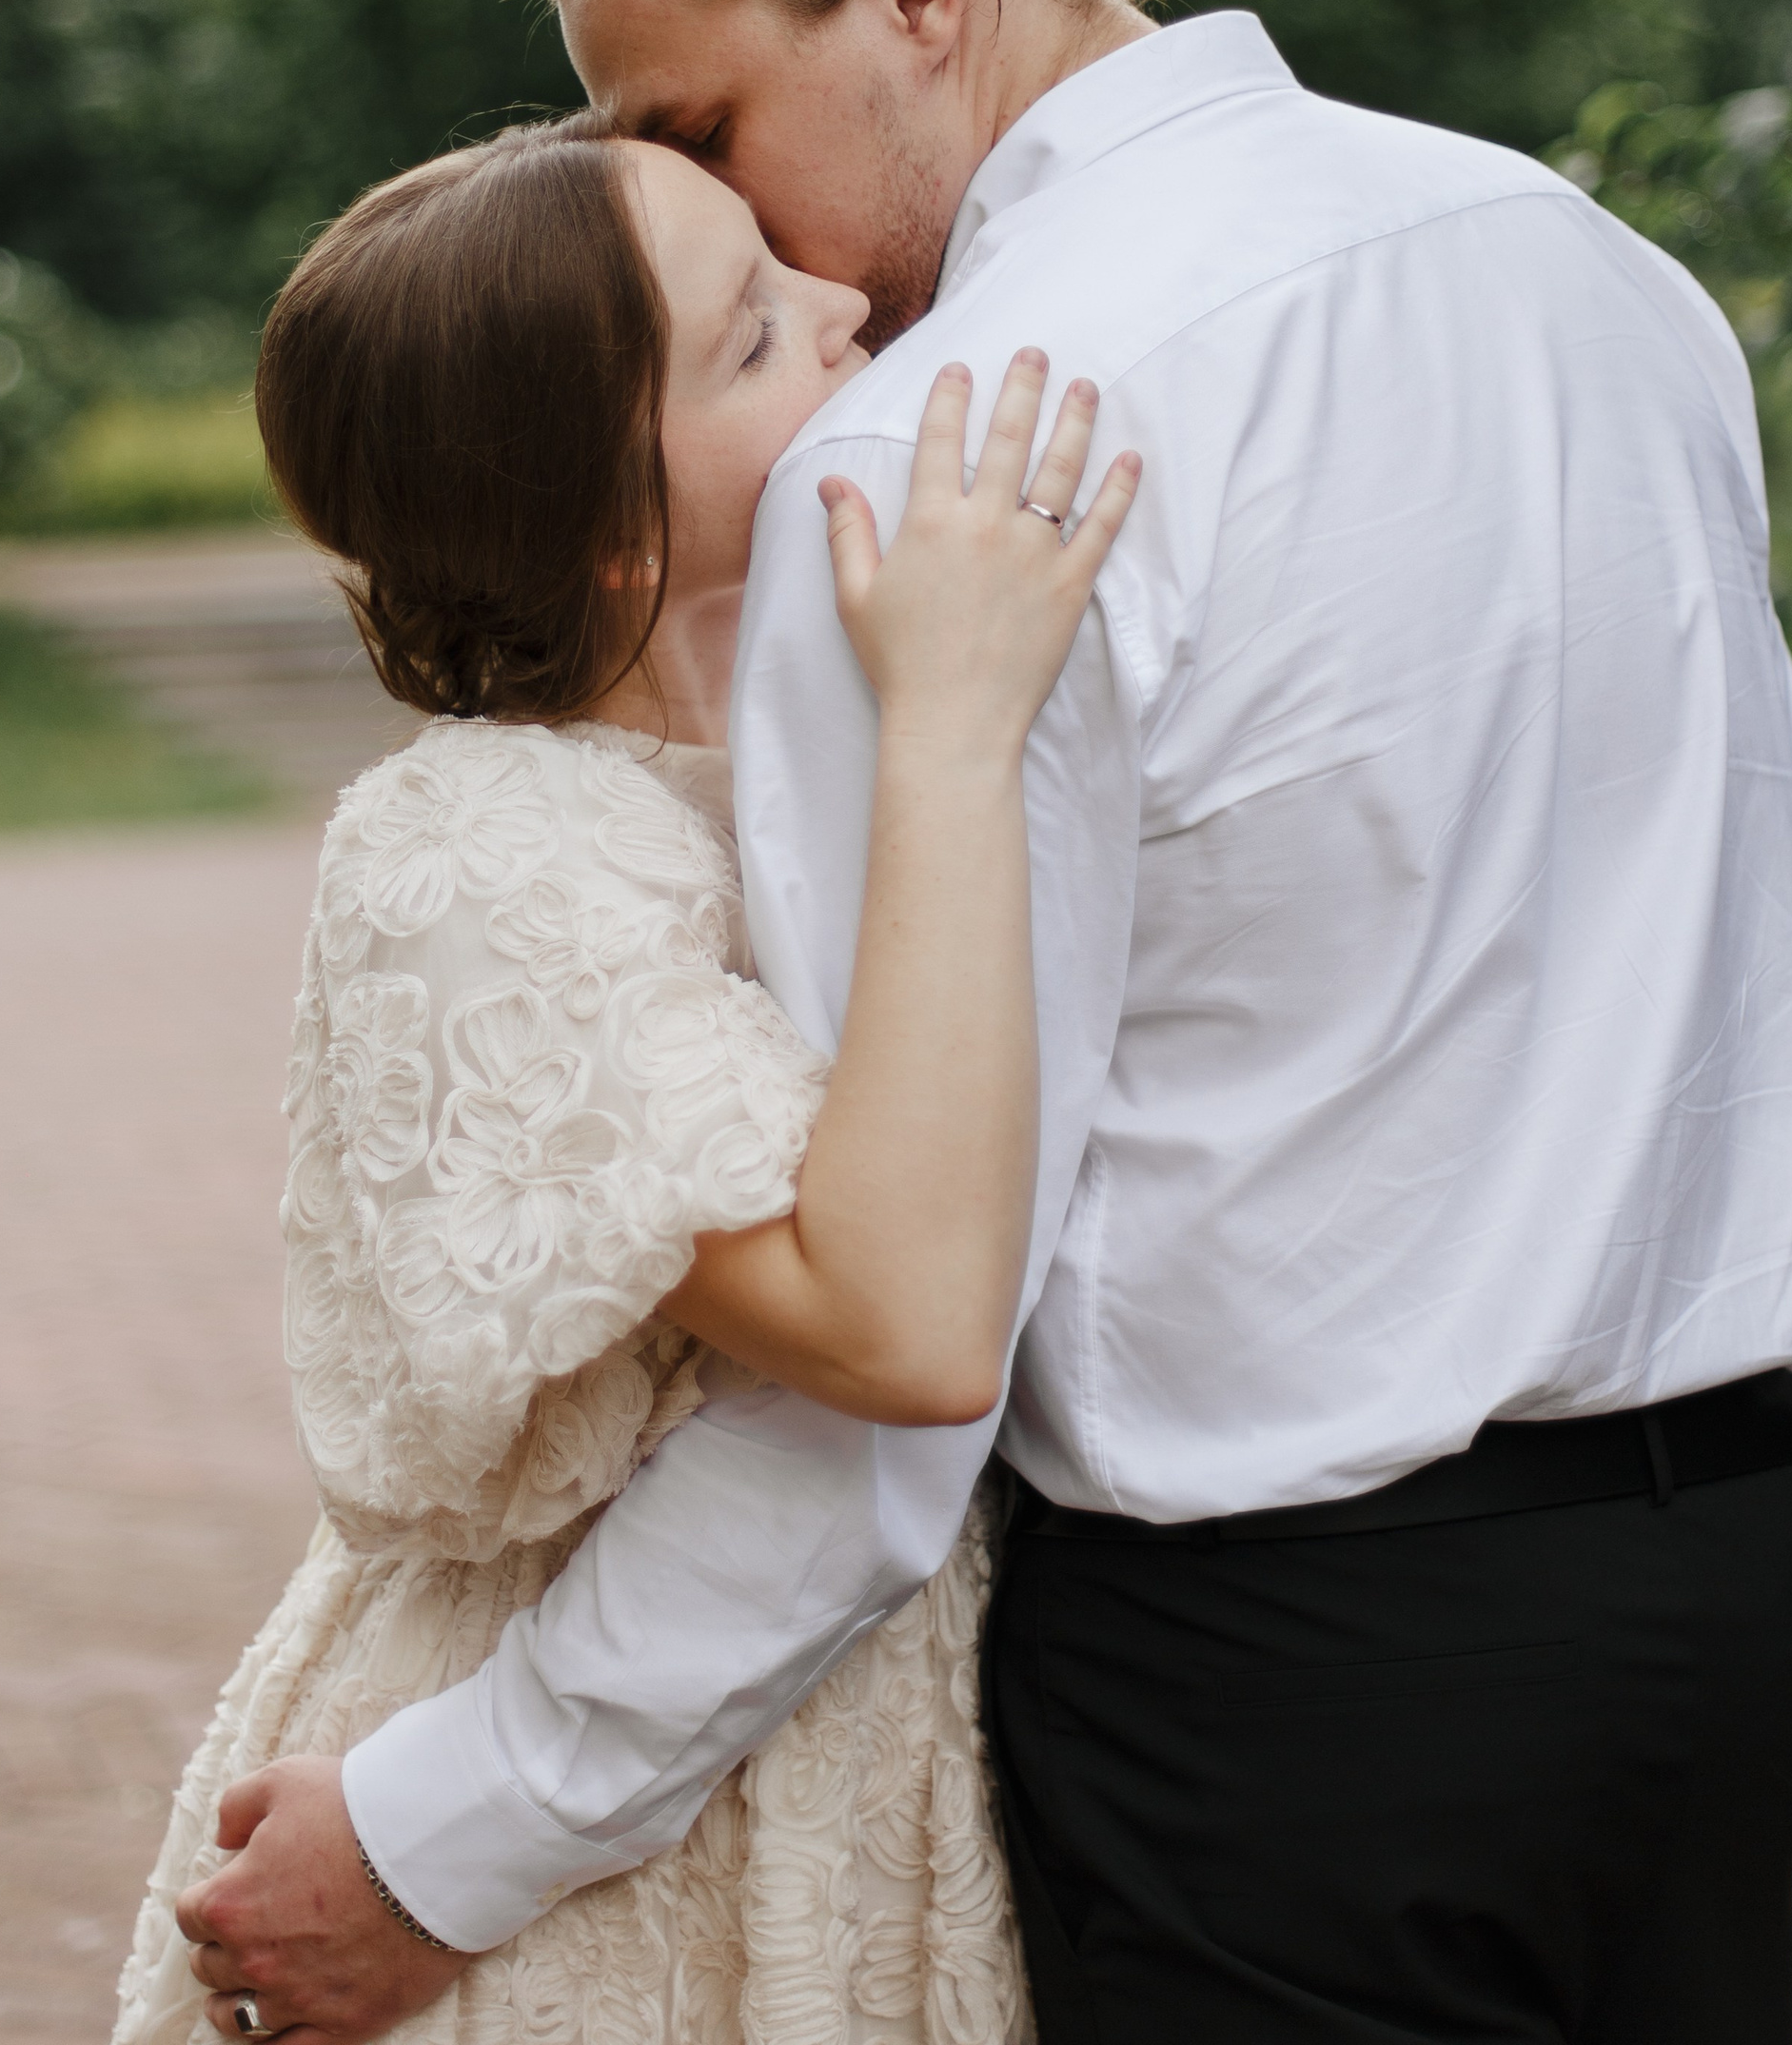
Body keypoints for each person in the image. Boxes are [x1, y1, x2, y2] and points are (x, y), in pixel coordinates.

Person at [178, 0, 1792, 2045]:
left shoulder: (933, 466)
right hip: (1736, 1600)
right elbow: (1788, 956)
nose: (704, 202)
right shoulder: (1587, 272)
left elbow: (894, 1359)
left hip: (1280, 1689)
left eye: (694, 120)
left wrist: (450, 1823)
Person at [117, 112, 1136, 2044]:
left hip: (861, 1743)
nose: (849, 302)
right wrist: (947, 723)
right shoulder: (494, 848)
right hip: (595, 1842)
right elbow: (894, 1329)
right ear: (602, 522)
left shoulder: (778, 791)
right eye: (751, 335)